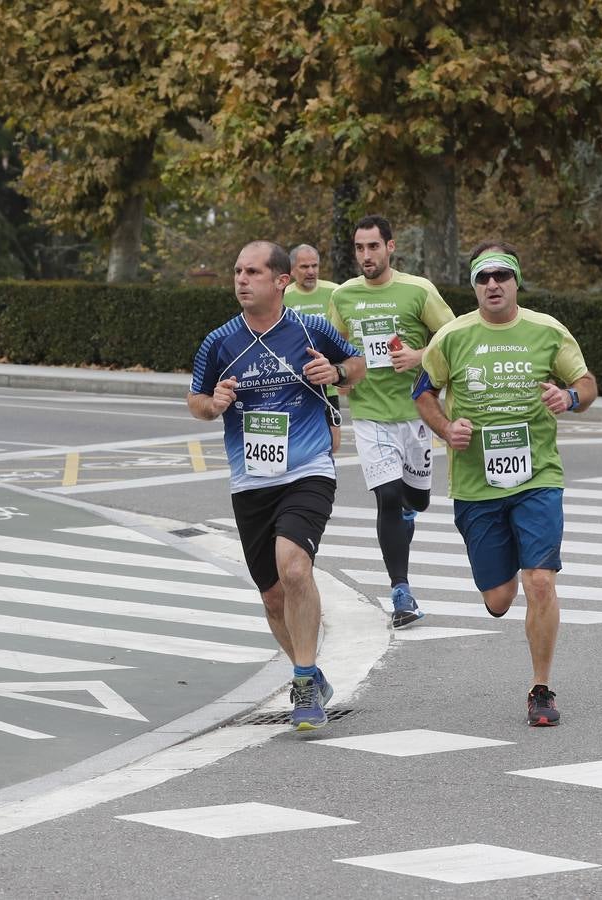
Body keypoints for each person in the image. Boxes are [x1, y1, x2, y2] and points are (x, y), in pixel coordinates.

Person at [414, 241, 597, 726]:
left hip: (538, 476)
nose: (492, 284)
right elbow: (423, 393)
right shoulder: (452, 337)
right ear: (474, 285)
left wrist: (570, 399)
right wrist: (446, 429)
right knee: (498, 601)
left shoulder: (546, 331)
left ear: (516, 281)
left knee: (539, 581)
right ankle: (514, 556)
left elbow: (586, 382)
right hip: (476, 484)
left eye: (502, 275)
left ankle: (541, 689)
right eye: (482, 277)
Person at [188, 240, 364, 731]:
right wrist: (214, 403)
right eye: (237, 271)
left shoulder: (311, 329)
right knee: (272, 596)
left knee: (294, 567)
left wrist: (337, 372)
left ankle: (304, 683)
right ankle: (309, 670)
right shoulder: (220, 341)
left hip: (308, 468)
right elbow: (195, 400)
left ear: (281, 280)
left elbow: (358, 367)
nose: (242, 280)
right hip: (251, 481)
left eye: (253, 272)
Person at [327, 214, 455, 629]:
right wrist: (342, 374)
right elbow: (333, 349)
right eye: (360, 248)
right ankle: (401, 592)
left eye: (373, 247)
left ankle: (410, 511)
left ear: (390, 247)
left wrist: (420, 357)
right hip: (370, 416)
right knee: (386, 497)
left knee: (414, 501)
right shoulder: (344, 296)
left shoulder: (418, 290)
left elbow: (456, 338)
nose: (366, 255)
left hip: (415, 414)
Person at [285, 243, 342, 454]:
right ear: (291, 270)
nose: (310, 272)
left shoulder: (335, 292)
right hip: (294, 384)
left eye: (314, 266)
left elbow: (347, 334)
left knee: (333, 445)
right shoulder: (282, 296)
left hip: (327, 383)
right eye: (304, 267)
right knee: (296, 442)